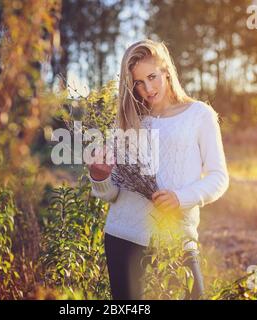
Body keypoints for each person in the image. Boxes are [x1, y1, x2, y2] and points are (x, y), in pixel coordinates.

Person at [87, 39, 229, 300]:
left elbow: (219, 178)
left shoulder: (199, 115)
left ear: (166, 70)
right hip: (123, 238)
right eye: (138, 83)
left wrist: (180, 198)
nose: (147, 88)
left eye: (152, 77)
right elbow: (111, 194)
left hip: (176, 238)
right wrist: (99, 177)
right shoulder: (130, 121)